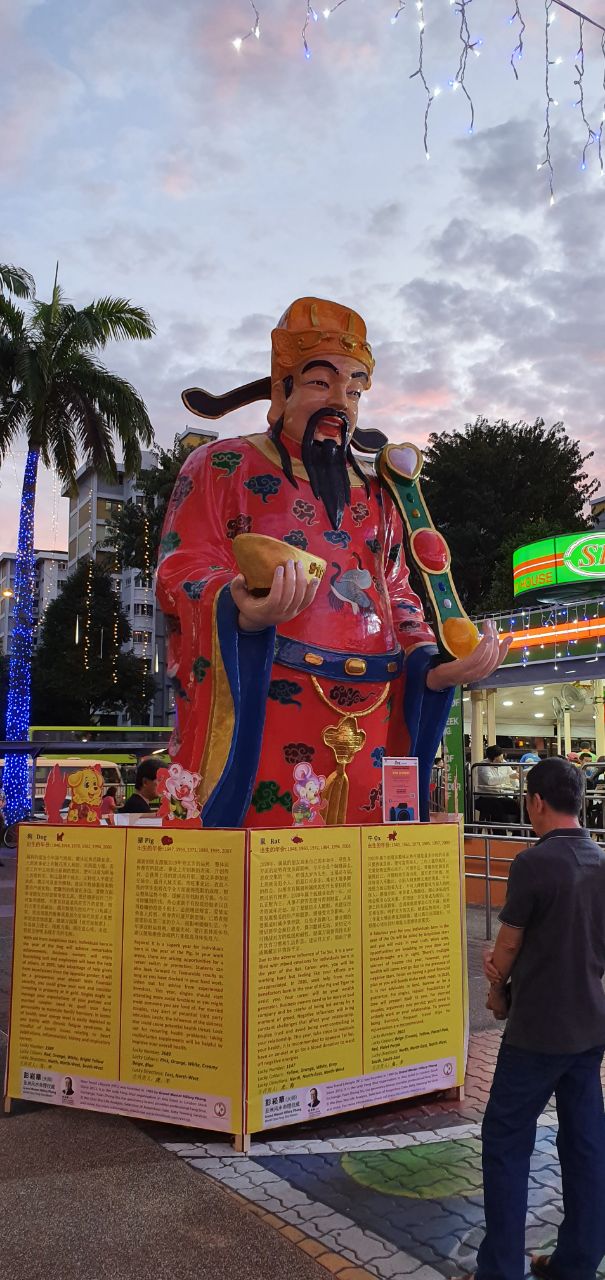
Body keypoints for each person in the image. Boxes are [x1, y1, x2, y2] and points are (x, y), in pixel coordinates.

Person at [156, 297, 509, 827]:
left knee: (359, 864)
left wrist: (434, 667)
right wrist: (240, 606)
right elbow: (180, 568)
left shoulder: (379, 493)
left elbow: (398, 595)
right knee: (265, 848)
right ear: (283, 388)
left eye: (355, 388)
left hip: (374, 704)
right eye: (322, 383)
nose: (341, 401)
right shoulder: (222, 465)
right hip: (267, 694)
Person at [456, 758, 605, 1280]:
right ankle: (578, 1262)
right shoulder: (601, 859)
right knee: (586, 1145)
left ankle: (499, 1269)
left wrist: (496, 976)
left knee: (505, 1140)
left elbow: (509, 944)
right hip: (590, 1029)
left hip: (537, 1032)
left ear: (537, 802)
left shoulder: (532, 863)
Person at [476, 745, 519, 827]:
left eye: (502, 759)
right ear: (490, 759)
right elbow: (490, 781)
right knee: (497, 807)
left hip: (501, 795)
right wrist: (509, 777)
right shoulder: (483, 766)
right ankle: (499, 834)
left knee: (517, 806)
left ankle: (517, 833)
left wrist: (517, 786)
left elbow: (513, 776)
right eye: (498, 760)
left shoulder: (504, 763)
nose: (501, 762)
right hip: (485, 796)